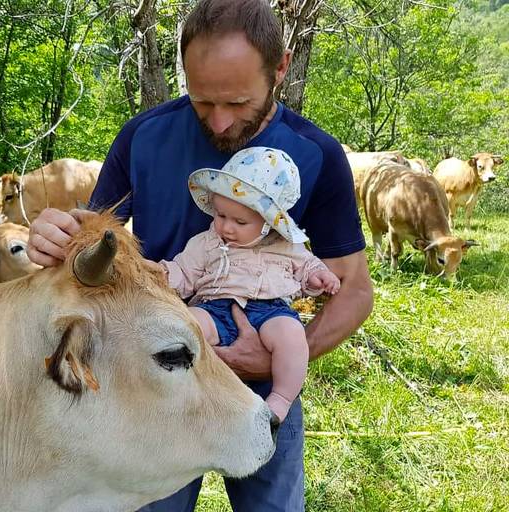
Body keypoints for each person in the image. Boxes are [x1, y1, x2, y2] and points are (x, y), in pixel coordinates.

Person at [26, 0, 374, 509]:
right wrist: (52, 237)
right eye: (202, 101)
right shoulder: (143, 137)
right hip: (151, 388)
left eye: (237, 102)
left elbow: (354, 289)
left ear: (280, 67)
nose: (220, 121)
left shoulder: (315, 153)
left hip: (263, 388)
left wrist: (277, 356)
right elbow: (93, 241)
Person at [156, 146, 341, 423]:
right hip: (214, 308)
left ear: (268, 223)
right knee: (186, 323)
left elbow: (306, 268)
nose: (226, 227)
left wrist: (317, 278)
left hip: (271, 312)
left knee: (292, 336)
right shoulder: (207, 243)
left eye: (240, 221)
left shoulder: (287, 246)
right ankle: (176, 391)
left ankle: (281, 399)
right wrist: (160, 274)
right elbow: (184, 273)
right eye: (220, 216)